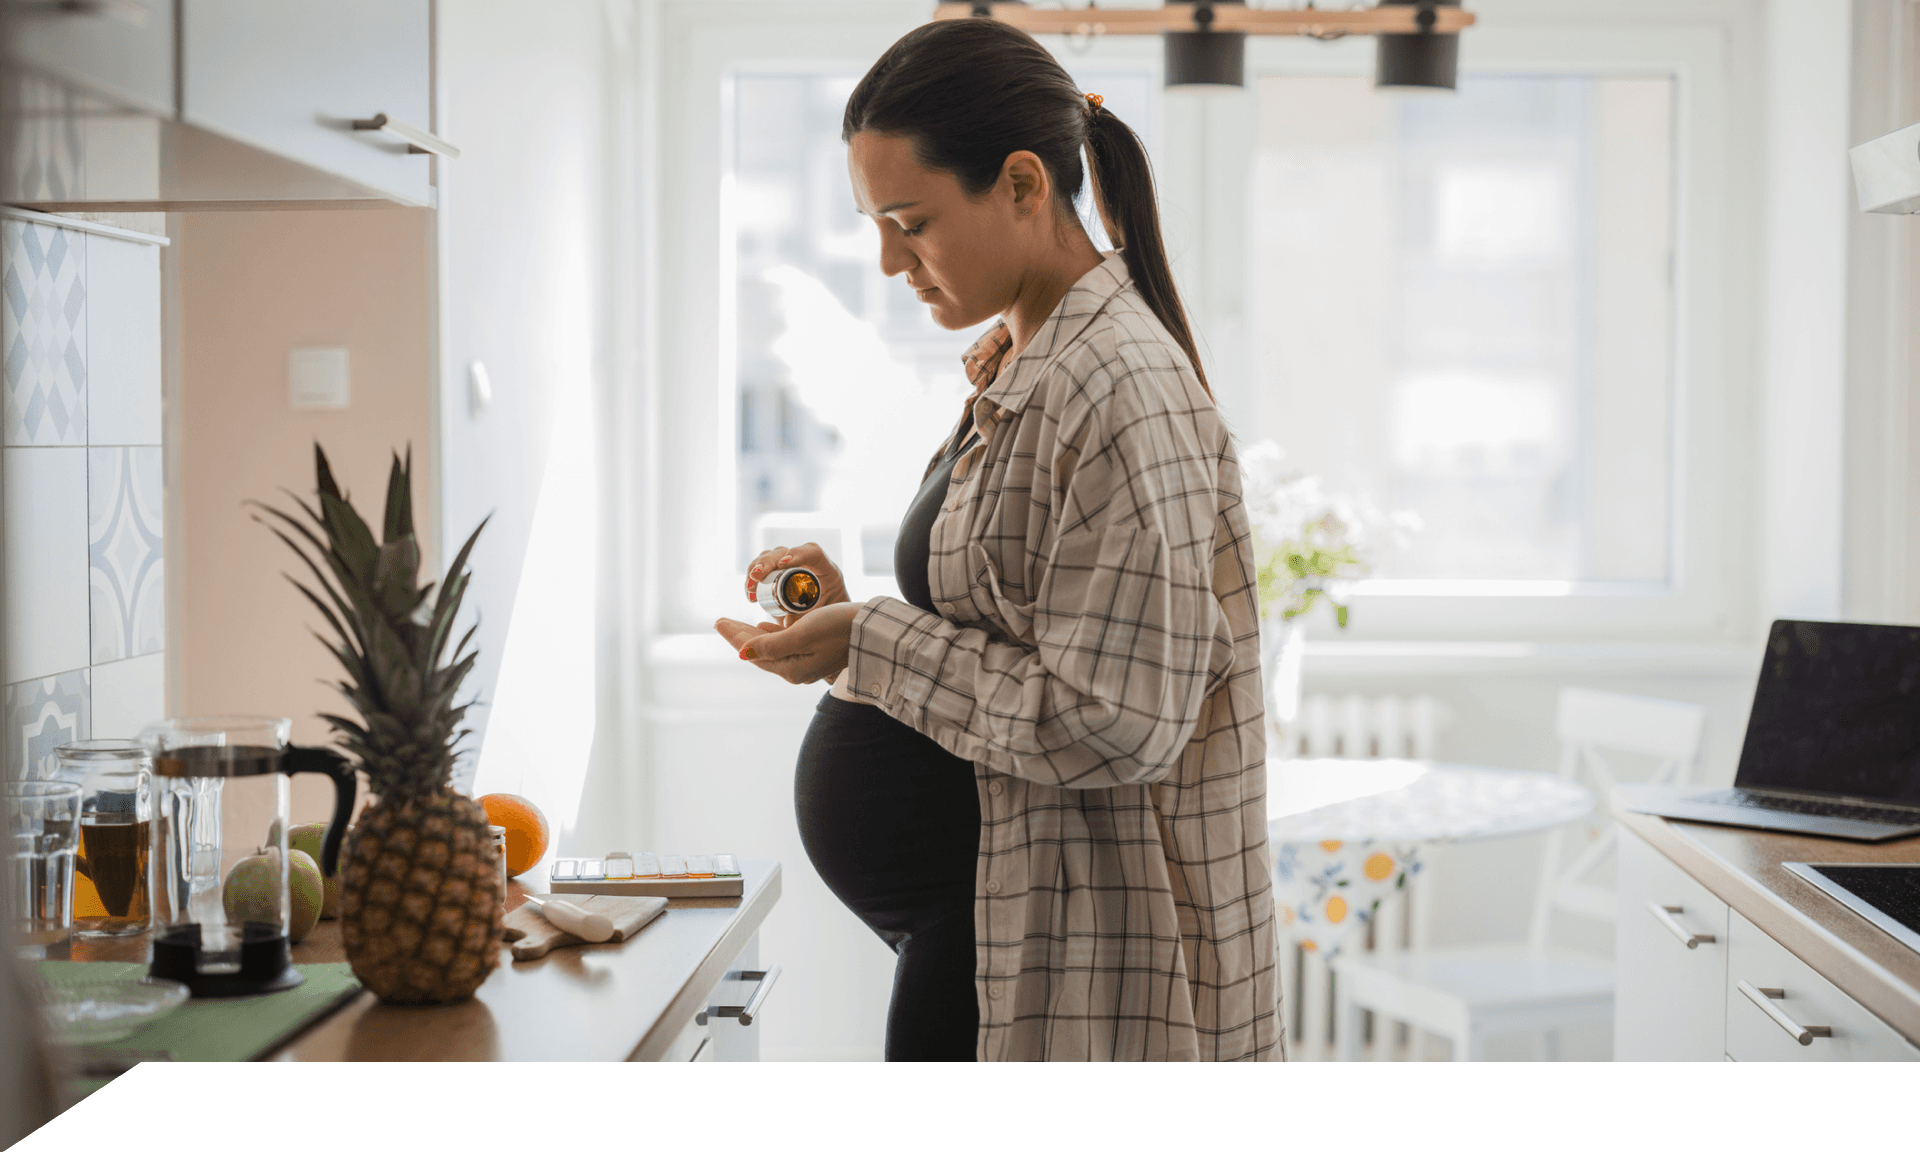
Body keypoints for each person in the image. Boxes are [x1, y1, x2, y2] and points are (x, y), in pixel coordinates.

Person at [714, 16, 1278, 1062]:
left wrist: (870, 640)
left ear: (1023, 184)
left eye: (910, 220)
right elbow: (1015, 623)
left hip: (1064, 949)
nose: (888, 261)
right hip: (994, 924)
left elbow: (1114, 719)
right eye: (875, 224)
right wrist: (853, 615)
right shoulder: (1031, 364)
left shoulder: (1117, 387)